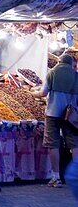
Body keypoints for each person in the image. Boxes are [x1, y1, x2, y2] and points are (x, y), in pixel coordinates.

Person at [33, 52, 78, 187]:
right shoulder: (76, 76)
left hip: (53, 113)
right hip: (71, 116)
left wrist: (33, 93)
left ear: (59, 61)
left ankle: (56, 177)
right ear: (71, 64)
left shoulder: (52, 73)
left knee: (53, 144)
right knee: (75, 144)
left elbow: (43, 93)